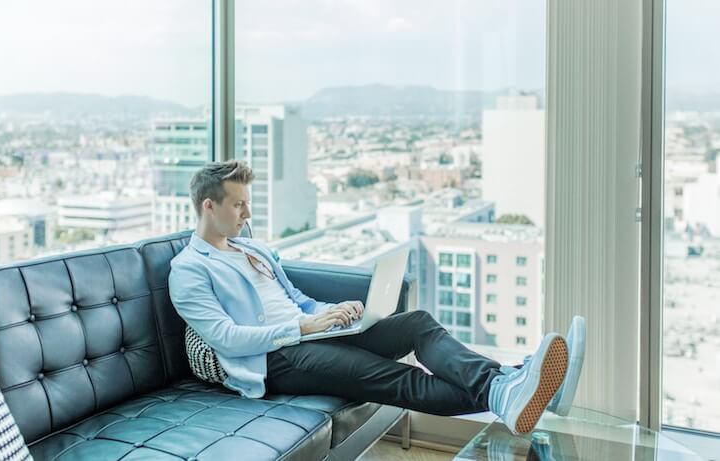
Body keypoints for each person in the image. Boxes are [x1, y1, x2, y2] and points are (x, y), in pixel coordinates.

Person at [169, 161, 586, 435]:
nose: (247, 214)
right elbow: (226, 337)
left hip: (313, 334)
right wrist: (301, 326)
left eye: (247, 203)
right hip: (275, 359)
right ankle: (519, 387)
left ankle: (512, 386)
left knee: (418, 324)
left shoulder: (252, 248)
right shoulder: (189, 269)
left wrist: (329, 312)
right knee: (393, 376)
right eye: (238, 204)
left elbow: (293, 295)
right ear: (209, 205)